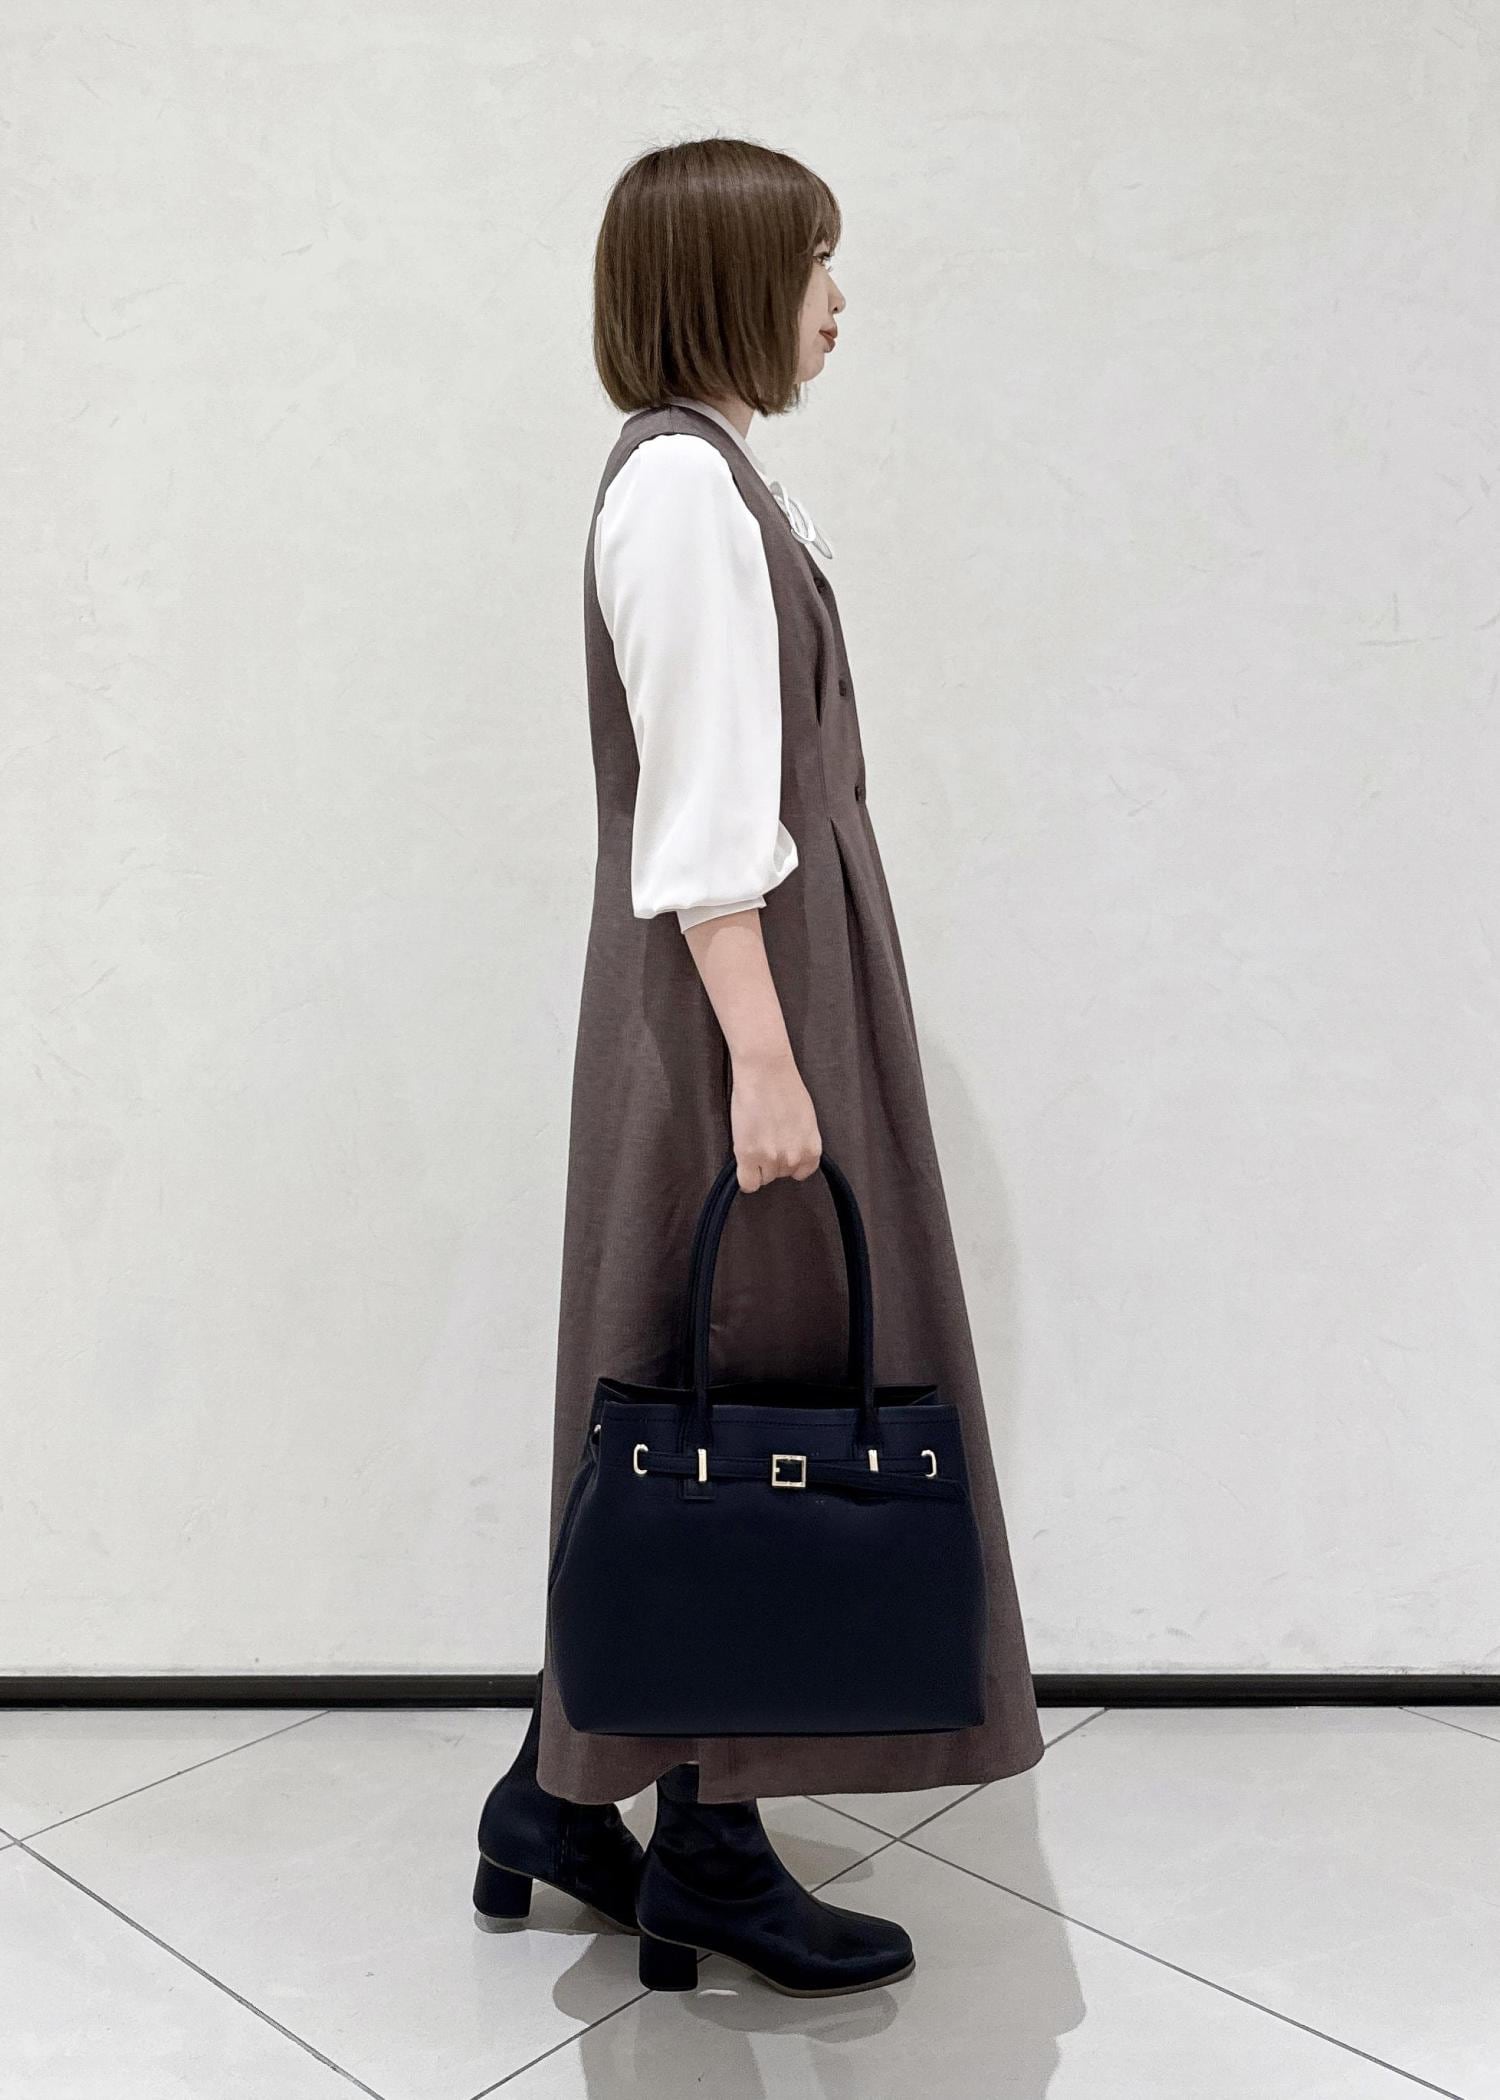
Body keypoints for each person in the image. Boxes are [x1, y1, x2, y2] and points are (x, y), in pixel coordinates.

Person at [475, 136, 1045, 1998]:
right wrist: (770, 1063)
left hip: (757, 992)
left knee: (694, 1375)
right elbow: (706, 820)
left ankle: (558, 1801)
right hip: (739, 1002)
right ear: (730, 279)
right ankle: (703, 1845)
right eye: (815, 264)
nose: (838, 300)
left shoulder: (708, 479)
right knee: (738, 1389)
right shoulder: (681, 496)